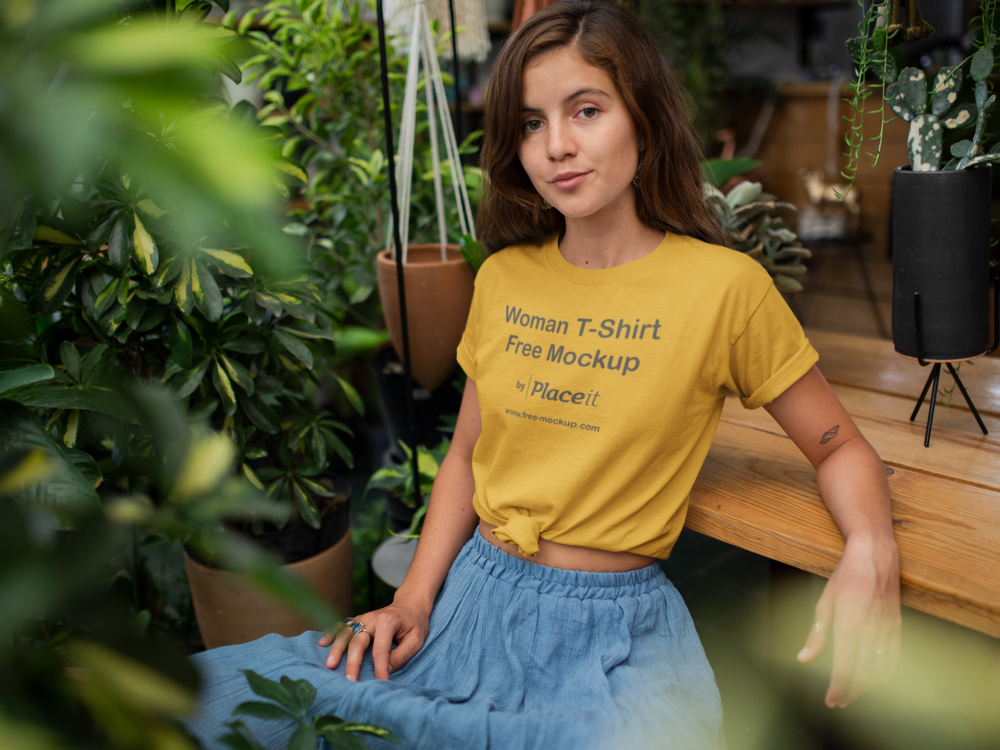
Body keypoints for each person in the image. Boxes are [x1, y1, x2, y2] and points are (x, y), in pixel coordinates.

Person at [185, 1, 901, 748]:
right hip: (470, 604)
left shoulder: (724, 289)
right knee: (217, 705)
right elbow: (465, 453)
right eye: (530, 123)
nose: (557, 145)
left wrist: (869, 546)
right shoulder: (502, 278)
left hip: (614, 638)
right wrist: (416, 599)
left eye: (586, 110)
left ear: (645, 121)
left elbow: (838, 446)